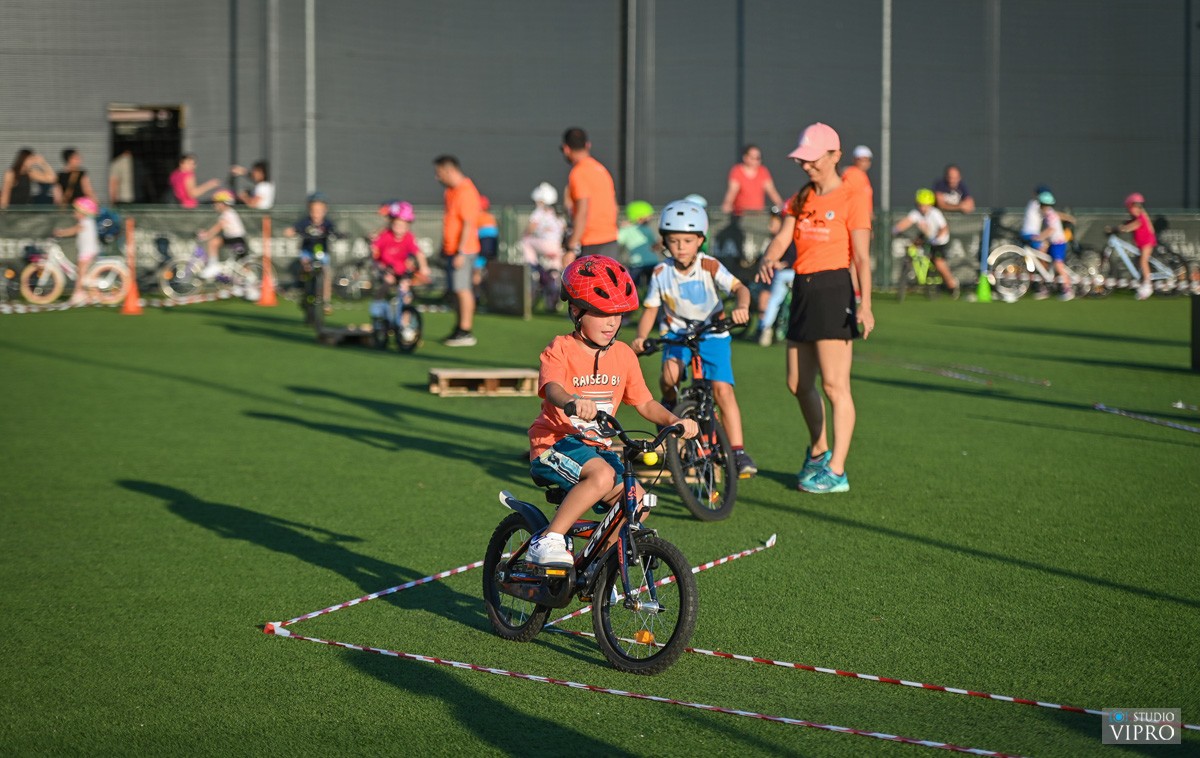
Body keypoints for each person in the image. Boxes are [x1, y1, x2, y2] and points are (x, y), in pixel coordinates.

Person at [525, 255, 697, 566]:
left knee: (638, 502)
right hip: (554, 443)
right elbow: (552, 388)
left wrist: (675, 421)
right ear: (576, 311)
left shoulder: (623, 355)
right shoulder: (561, 349)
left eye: (618, 314)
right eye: (603, 313)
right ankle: (548, 539)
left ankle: (600, 567)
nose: (612, 322)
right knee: (603, 476)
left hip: (597, 449)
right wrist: (571, 402)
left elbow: (644, 402)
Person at [756, 122, 874, 494]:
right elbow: (783, 237)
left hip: (834, 289)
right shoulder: (802, 196)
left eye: (813, 159)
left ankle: (837, 471)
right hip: (803, 289)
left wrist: (865, 305)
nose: (806, 166)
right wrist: (769, 257)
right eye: (802, 160)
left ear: (835, 155)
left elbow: (862, 258)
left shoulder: (852, 198)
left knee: (836, 386)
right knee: (797, 383)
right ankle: (819, 450)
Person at [630, 200, 758, 478]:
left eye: (688, 241)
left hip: (713, 333)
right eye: (674, 240)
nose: (681, 247)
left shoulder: (709, 265)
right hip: (677, 334)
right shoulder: (661, 272)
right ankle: (669, 410)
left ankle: (737, 451)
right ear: (665, 241)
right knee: (669, 377)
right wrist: (641, 337)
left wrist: (742, 306)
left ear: (700, 240)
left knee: (722, 390)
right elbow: (651, 309)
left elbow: (740, 288)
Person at [433, 154, 482, 347]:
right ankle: (459, 326)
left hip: (464, 250)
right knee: (455, 290)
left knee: (463, 289)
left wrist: (461, 252)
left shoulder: (466, 191)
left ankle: (466, 330)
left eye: (439, 173)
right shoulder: (450, 192)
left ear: (449, 171)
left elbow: (468, 224)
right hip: (452, 249)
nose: (437, 177)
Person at [561, 127, 619, 266]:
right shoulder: (601, 169)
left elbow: (583, 211)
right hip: (611, 239)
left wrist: (571, 247)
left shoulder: (578, 172)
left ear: (566, 149)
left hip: (591, 242)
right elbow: (615, 207)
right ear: (588, 145)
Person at [371, 201, 431, 325]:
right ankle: (379, 315)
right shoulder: (385, 236)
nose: (399, 229)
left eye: (403, 226)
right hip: (387, 270)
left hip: (402, 270)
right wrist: (378, 264)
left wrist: (424, 267)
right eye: (396, 225)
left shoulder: (409, 237)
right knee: (387, 283)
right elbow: (375, 251)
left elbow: (418, 253)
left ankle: (404, 322)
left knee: (405, 291)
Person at [891, 188, 959, 297]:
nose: (922, 208)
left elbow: (944, 229)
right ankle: (909, 274)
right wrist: (895, 230)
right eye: (920, 205)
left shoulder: (935, 213)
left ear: (930, 205)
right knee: (912, 247)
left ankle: (952, 285)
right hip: (926, 237)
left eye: (925, 205)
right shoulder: (916, 213)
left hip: (939, 241)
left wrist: (936, 238)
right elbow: (906, 222)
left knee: (938, 262)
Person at [284, 192, 337, 309]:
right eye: (313, 211)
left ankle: (326, 301)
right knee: (305, 267)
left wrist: (337, 234)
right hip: (307, 252)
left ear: (325, 211)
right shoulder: (305, 222)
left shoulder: (327, 223)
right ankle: (303, 288)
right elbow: (294, 229)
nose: (316, 214)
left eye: (319, 211)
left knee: (326, 273)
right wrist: (291, 231)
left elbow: (334, 231)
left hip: (322, 253)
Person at [521, 182, 566, 310]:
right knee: (554, 273)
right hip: (557, 247)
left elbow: (530, 228)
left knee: (525, 241)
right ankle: (554, 299)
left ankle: (533, 266)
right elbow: (563, 229)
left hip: (544, 245)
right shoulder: (558, 214)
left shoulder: (539, 212)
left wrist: (525, 234)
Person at [755, 210, 796, 347]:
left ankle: (765, 329)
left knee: (774, 301)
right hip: (795, 272)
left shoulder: (782, 236)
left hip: (784, 273)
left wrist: (781, 263)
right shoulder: (794, 233)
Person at [52, 197, 101, 305]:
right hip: (87, 251)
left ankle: (78, 293)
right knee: (83, 272)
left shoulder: (86, 222)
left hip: (87, 252)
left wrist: (61, 232)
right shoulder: (86, 222)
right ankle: (89, 295)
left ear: (84, 212)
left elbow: (74, 230)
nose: (74, 213)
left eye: (76, 211)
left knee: (81, 273)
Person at [720, 144, 785, 215]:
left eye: (758, 158)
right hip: (741, 215)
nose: (756, 161)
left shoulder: (763, 171)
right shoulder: (737, 171)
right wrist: (727, 204)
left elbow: (772, 191)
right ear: (745, 158)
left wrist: (781, 205)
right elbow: (732, 191)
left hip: (758, 215)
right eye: (752, 158)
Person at [197, 190, 248, 279]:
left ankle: (213, 265)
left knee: (213, 242)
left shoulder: (228, 213)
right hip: (236, 239)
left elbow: (219, 226)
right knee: (241, 266)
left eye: (217, 203)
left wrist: (207, 235)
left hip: (236, 239)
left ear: (223, 204)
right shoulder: (229, 212)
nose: (214, 205)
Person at [1117, 192, 1158, 301]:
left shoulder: (1141, 217)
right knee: (1138, 262)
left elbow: (1134, 225)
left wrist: (1124, 228)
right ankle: (1143, 285)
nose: (1131, 210)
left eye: (1133, 207)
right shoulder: (1135, 217)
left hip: (1147, 242)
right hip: (1142, 243)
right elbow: (1130, 224)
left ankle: (1148, 286)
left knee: (1143, 261)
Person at [617, 200, 661, 289]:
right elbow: (654, 245)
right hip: (651, 262)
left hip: (636, 263)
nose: (650, 218)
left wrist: (621, 227)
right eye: (648, 216)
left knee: (634, 287)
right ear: (639, 217)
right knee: (652, 286)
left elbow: (617, 241)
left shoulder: (625, 230)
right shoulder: (646, 229)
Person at [840, 145, 874, 212]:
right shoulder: (852, 174)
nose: (864, 163)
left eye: (867, 160)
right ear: (855, 160)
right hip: (854, 215)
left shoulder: (862, 175)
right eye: (861, 160)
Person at [1020, 184, 1052, 249]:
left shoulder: (1032, 203)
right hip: (1031, 234)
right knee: (1044, 247)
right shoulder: (1036, 204)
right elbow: (1050, 213)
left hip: (1027, 233)